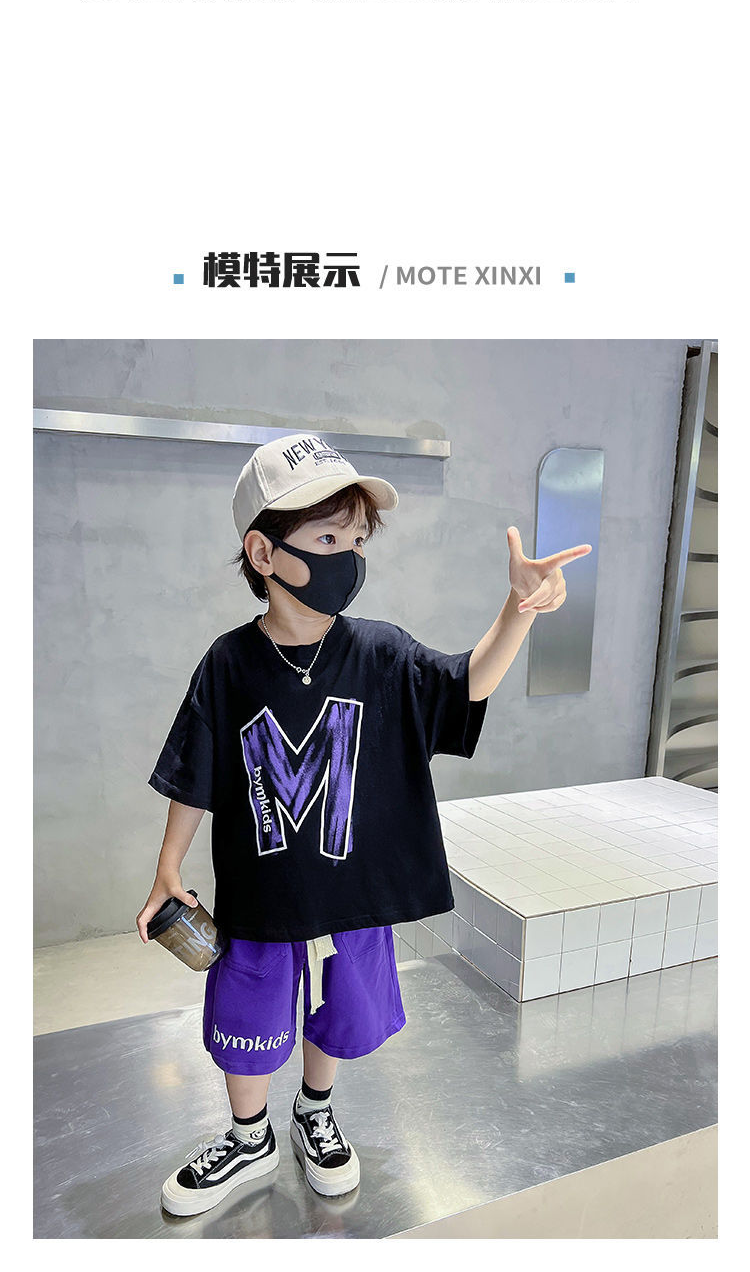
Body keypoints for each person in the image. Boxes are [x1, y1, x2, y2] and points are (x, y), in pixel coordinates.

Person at [136, 431, 590, 1217]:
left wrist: (518, 611)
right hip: (260, 897)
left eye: (354, 541)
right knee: (246, 1013)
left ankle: (314, 1110)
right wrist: (167, 868)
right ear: (264, 552)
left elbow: (466, 681)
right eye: (326, 540)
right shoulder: (228, 663)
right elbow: (193, 768)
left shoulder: (381, 652)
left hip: (355, 895)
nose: (346, 557)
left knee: (342, 1008)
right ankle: (249, 1135)